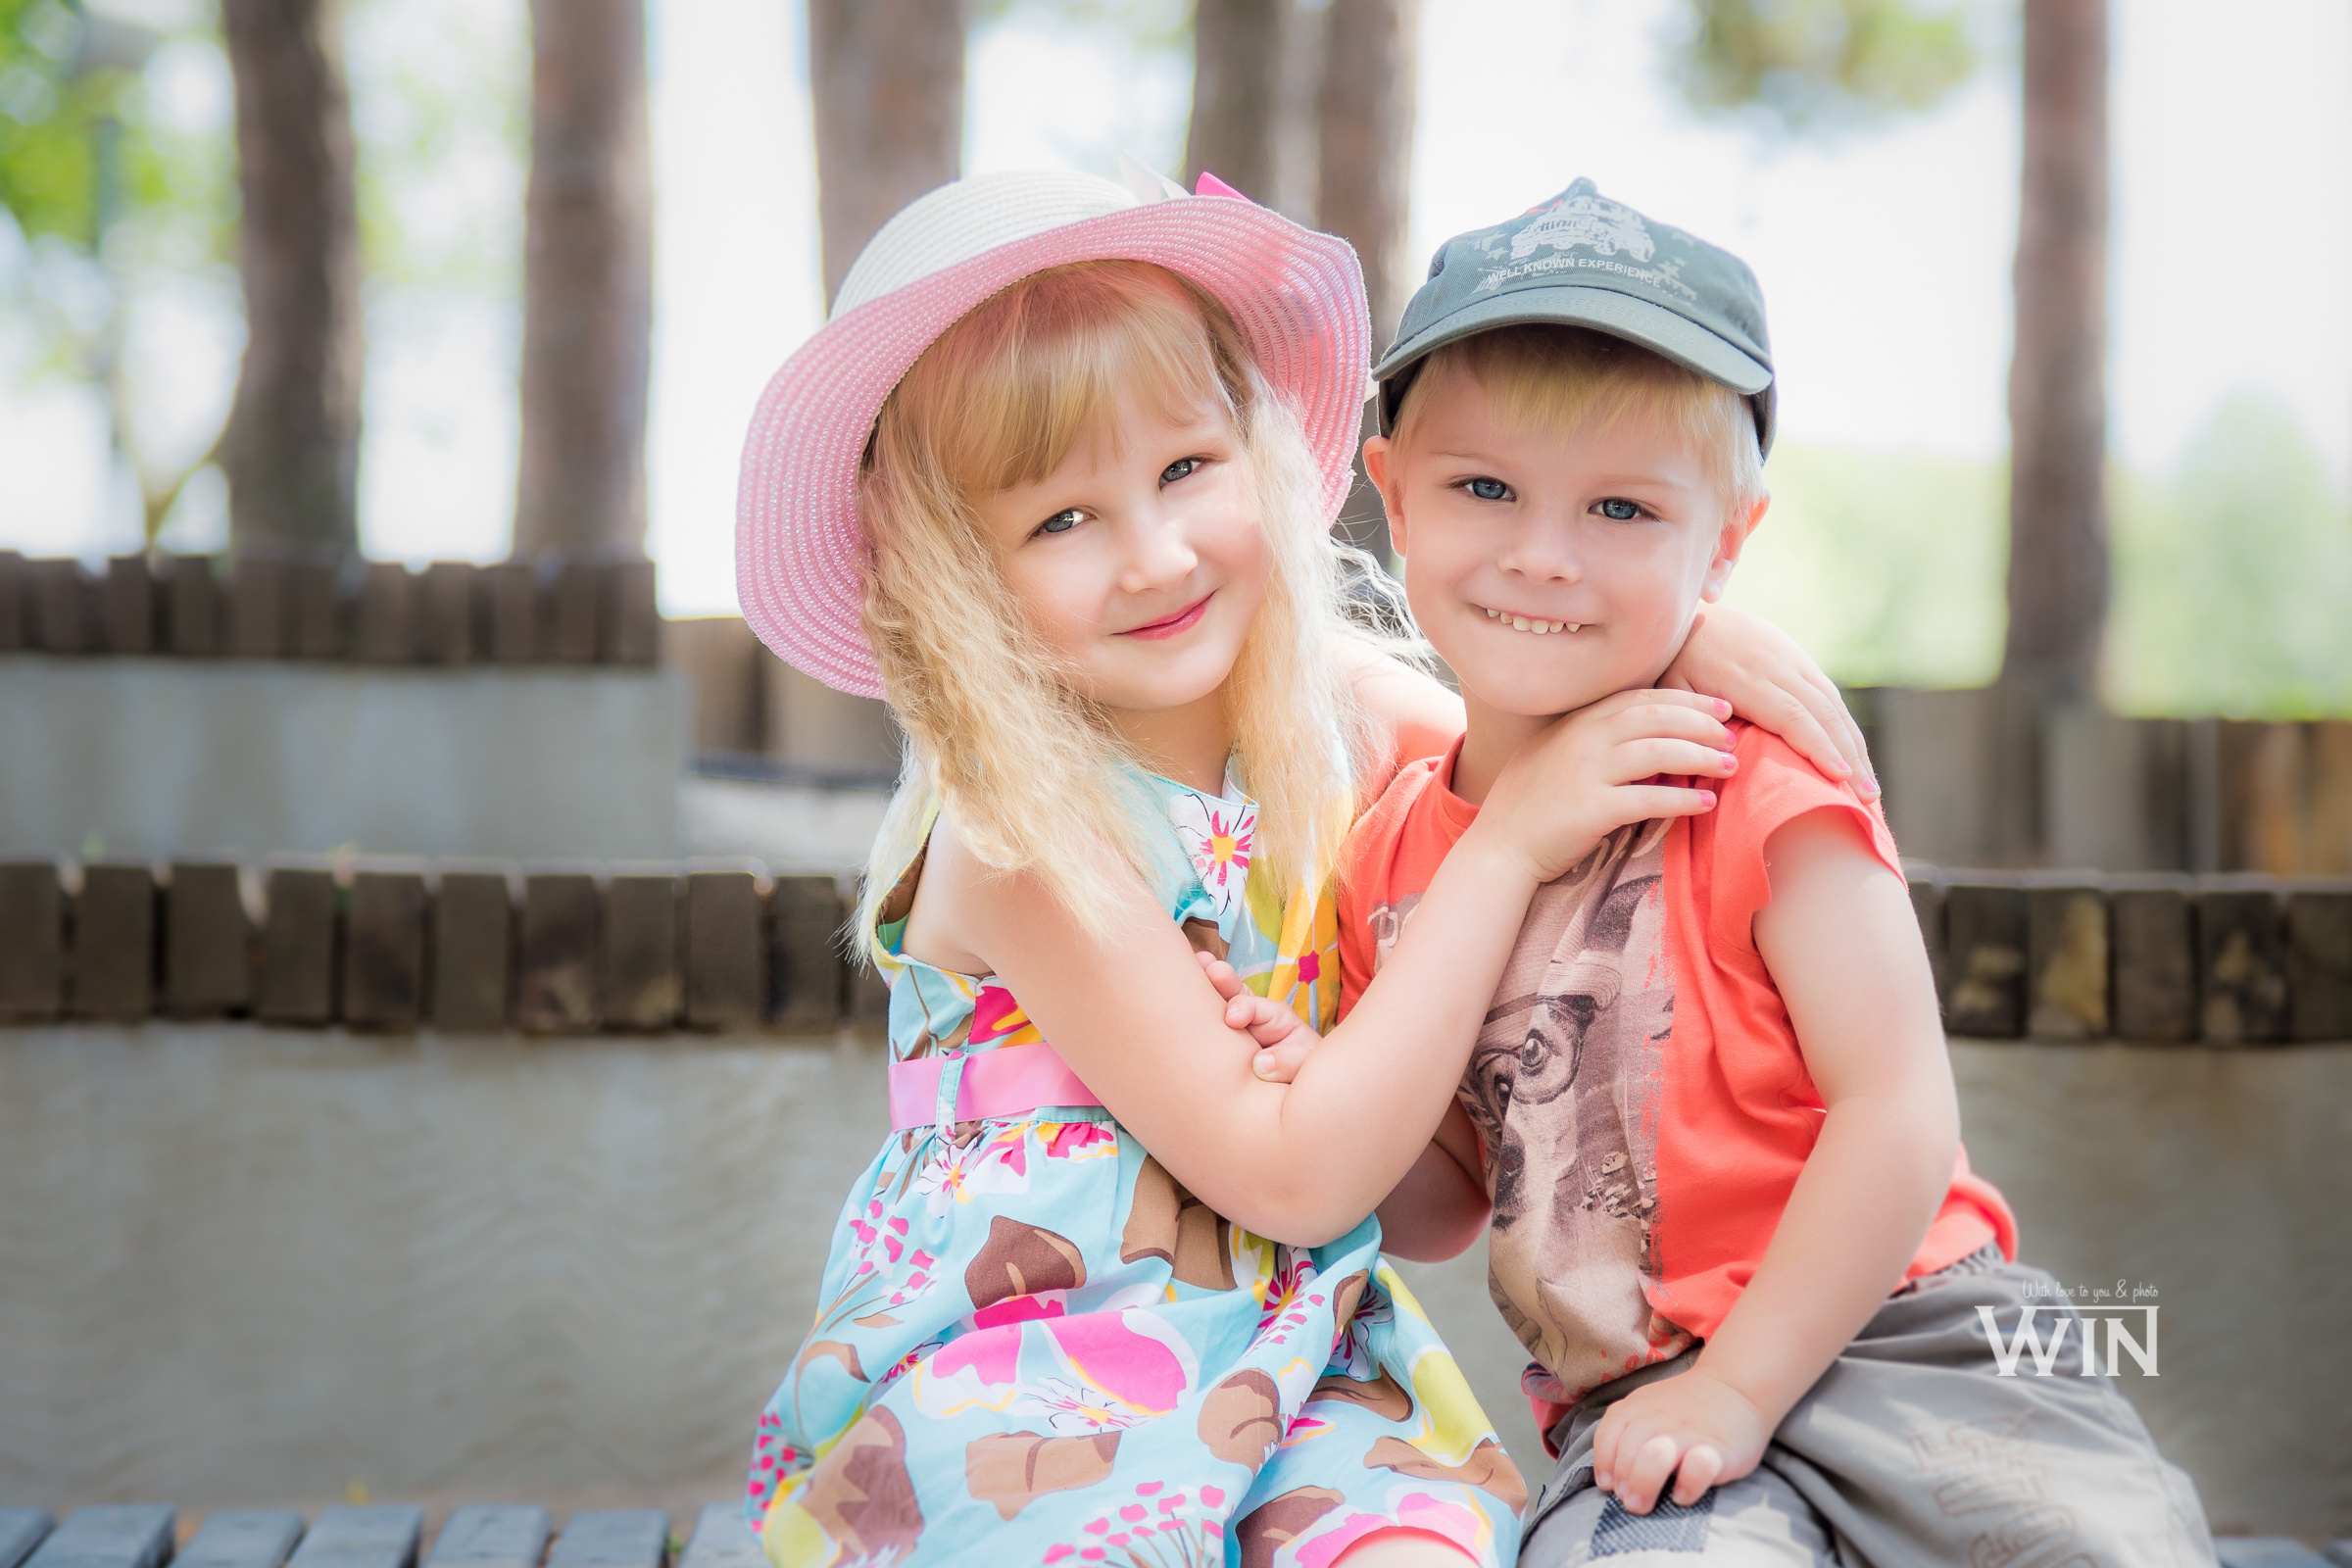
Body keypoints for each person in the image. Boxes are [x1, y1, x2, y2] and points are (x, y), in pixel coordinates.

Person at [731, 166, 1876, 1567]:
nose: (1155, 557)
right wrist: (1507, 847)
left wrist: (1685, 630)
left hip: (1302, 1357)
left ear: (1258, 450)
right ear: (953, 572)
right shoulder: (1017, 830)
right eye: (1061, 521)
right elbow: (1290, 1180)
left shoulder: (1330, 711)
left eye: (1185, 471)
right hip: (1032, 1364)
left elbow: (1544, 737)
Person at [1274, 179, 2219, 1565]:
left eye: (1620, 507)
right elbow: (1445, 1204)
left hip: (1920, 1341)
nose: (1544, 555)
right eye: (1485, 489)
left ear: (1724, 542)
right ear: (1394, 497)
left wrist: (1743, 1386)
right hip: (1641, 1402)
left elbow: (1897, 1111)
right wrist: (1327, 1076)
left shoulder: (1760, 785)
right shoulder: (1392, 854)